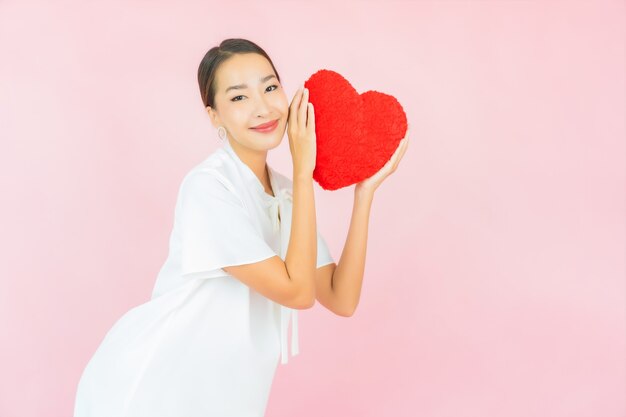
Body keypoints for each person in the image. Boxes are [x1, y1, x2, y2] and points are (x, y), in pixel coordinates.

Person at [73, 38, 409, 417]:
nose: (263, 107)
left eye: (269, 87)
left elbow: (340, 298)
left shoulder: (283, 191)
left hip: (227, 394)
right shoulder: (209, 188)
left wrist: (364, 195)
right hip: (159, 387)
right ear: (214, 115)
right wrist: (303, 169)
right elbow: (297, 293)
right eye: (238, 98)